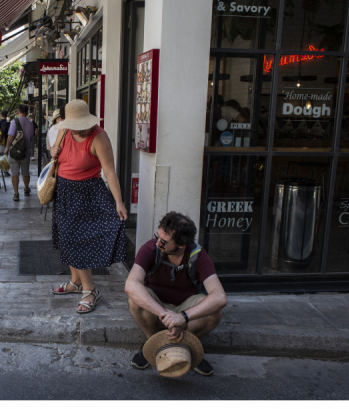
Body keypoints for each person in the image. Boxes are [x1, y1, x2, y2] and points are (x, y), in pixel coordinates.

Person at [125, 211, 227, 376]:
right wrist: (166, 314)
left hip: (185, 307)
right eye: (157, 236)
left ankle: (187, 343)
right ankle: (154, 343)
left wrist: (183, 317)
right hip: (157, 306)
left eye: (164, 242)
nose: (158, 243)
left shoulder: (198, 256)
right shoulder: (151, 248)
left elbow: (220, 297)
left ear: (181, 245)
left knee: (215, 311)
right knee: (135, 299)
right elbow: (131, 284)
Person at [50, 99, 128, 313]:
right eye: (77, 126)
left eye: (84, 125)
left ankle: (90, 289)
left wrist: (119, 202)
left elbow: (110, 172)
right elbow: (55, 153)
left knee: (77, 241)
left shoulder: (99, 137)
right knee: (67, 239)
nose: (81, 130)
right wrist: (53, 152)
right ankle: (76, 283)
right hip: (64, 192)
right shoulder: (63, 131)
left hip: (88, 193)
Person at [4, 104, 36, 201]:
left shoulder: (15, 121)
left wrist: (6, 148)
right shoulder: (31, 124)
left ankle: (16, 193)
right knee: (25, 172)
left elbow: (10, 136)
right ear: (27, 113)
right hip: (26, 152)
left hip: (14, 152)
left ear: (18, 112)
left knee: (15, 173)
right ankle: (26, 189)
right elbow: (31, 138)